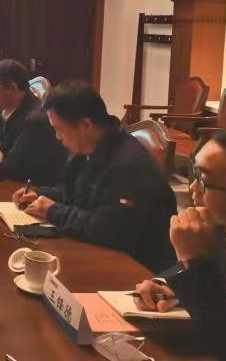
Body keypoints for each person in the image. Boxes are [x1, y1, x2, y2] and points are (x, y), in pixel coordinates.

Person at [13, 82, 176, 272]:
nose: (58, 137)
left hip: (135, 268)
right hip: (97, 250)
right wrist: (39, 193)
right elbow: (76, 194)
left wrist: (53, 211)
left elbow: (108, 231)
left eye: (59, 129)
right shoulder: (91, 147)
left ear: (85, 125)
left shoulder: (127, 165)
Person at [135, 132, 226, 358]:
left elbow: (218, 342)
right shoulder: (218, 227)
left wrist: (193, 263)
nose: (193, 187)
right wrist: (169, 286)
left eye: (203, 179)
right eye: (194, 175)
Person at [0, 59, 66, 185]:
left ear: (13, 88)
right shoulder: (6, 110)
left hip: (36, 188)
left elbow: (15, 167)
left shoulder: (35, 119)